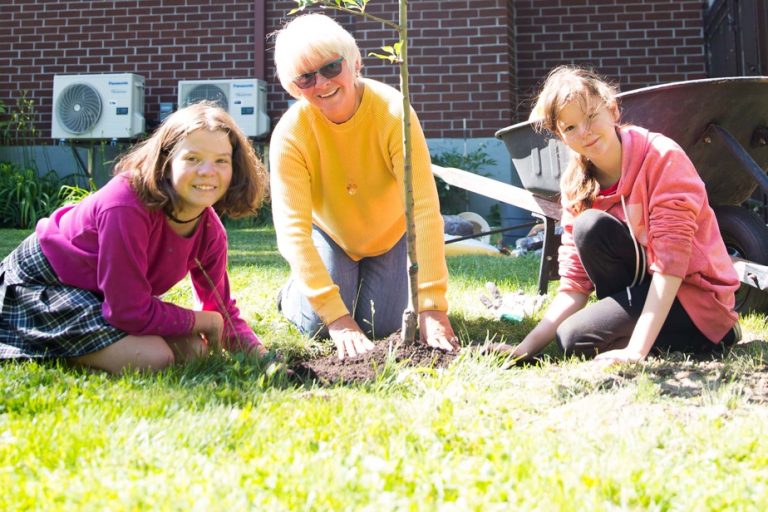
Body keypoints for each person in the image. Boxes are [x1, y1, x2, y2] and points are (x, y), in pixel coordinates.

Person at [493, 65, 740, 365]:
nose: (584, 133)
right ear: (560, 137)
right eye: (570, 128)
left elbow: (671, 265)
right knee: (588, 233)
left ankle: (712, 334)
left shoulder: (662, 158)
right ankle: (638, 335)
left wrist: (635, 352)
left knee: (576, 339)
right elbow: (574, 285)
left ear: (612, 109)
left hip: (694, 298)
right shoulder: (576, 183)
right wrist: (525, 347)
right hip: (644, 288)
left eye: (590, 117)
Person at [0, 102, 269, 373]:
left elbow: (222, 311)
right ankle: (45, 346)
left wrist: (267, 361)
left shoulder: (210, 232)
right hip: (43, 284)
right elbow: (128, 312)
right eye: (192, 158)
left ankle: (96, 346)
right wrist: (203, 322)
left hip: (105, 296)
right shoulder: (126, 203)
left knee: (194, 351)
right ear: (166, 162)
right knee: (152, 357)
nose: (207, 171)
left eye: (221, 160)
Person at [269, 13, 458, 360]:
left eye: (330, 67)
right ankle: (292, 294)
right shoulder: (291, 134)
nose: (322, 83)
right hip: (332, 235)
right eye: (306, 77)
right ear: (294, 87)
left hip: (390, 234)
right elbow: (292, 230)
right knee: (319, 325)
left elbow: (424, 209)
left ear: (354, 62)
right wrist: (337, 318)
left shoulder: (393, 112)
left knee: (380, 326)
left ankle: (350, 291)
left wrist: (432, 305)